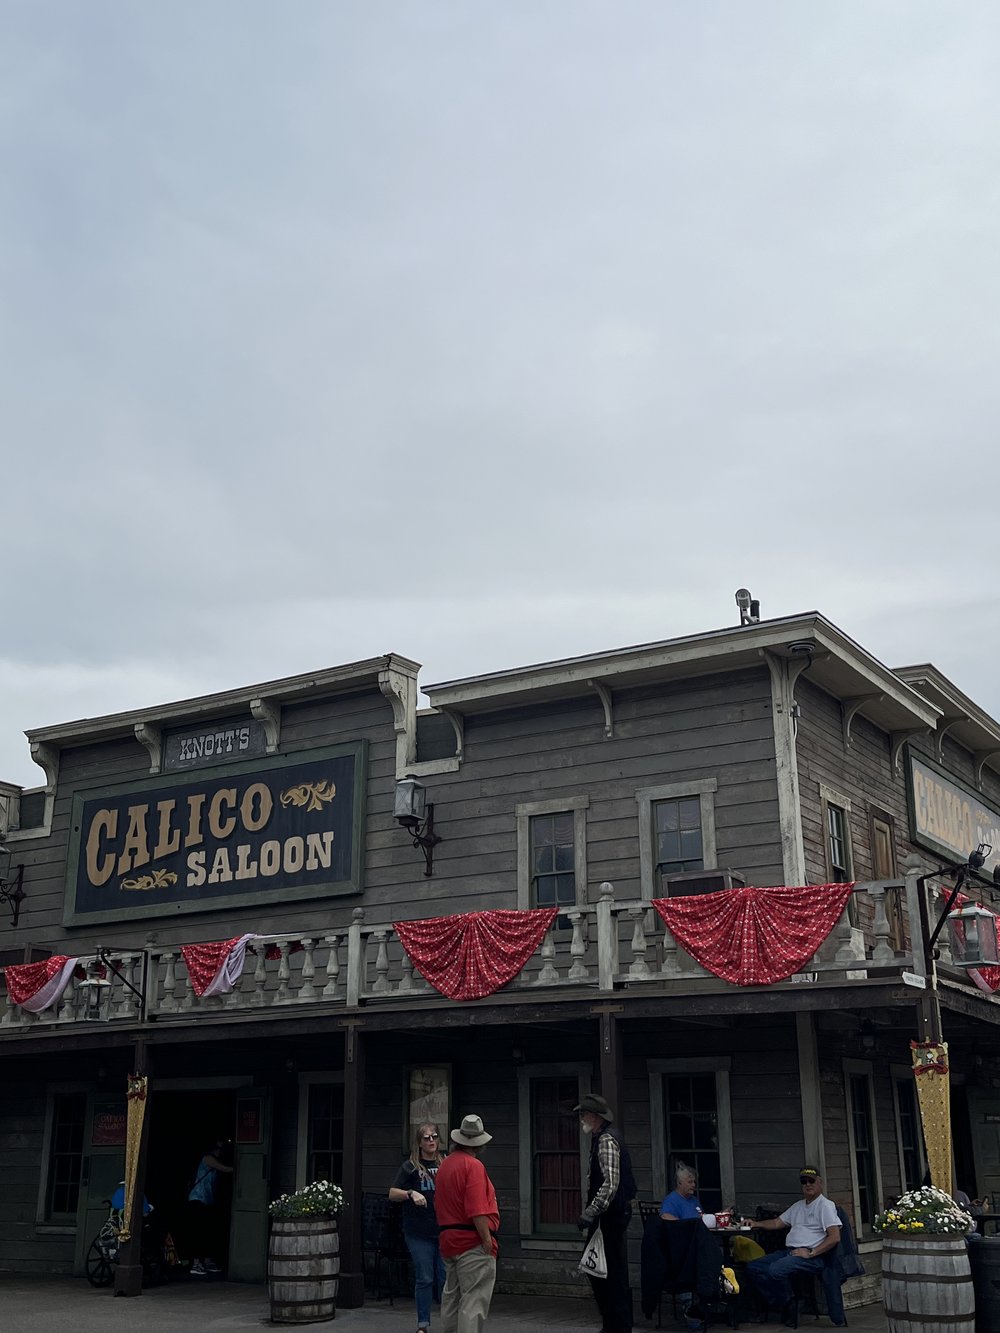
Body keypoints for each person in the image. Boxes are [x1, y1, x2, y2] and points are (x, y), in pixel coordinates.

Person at [746, 1166, 844, 1328]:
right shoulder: (798, 1206)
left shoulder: (825, 1205)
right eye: (804, 1181)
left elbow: (834, 1237)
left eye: (811, 1181)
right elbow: (777, 1222)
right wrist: (756, 1223)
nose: (807, 1184)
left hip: (814, 1256)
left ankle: (791, 1303)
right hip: (791, 1251)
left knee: (776, 1269)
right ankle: (788, 1302)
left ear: (820, 1183)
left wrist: (811, 1253)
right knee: (754, 1267)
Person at [575, 1092, 637, 1333]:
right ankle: (613, 1324)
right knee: (602, 1270)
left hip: (610, 1215)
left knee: (605, 1272)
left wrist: (591, 1212)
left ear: (595, 1116)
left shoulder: (606, 1141)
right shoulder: (603, 1138)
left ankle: (617, 1326)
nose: (582, 1119)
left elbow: (610, 1183)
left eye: (584, 1114)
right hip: (611, 1214)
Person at [435, 1114, 499, 1333]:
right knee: (474, 1300)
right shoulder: (473, 1166)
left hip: (448, 1239)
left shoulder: (445, 1165)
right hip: (471, 1241)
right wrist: (486, 1240)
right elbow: (477, 1210)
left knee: (451, 1296)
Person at [389, 1122, 447, 1333]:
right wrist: (410, 1193)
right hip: (418, 1232)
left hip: (443, 1230)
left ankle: (448, 1323)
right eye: (426, 1138)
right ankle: (423, 1325)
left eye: (434, 1137)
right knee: (425, 1277)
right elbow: (392, 1193)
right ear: (419, 1142)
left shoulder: (446, 1163)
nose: (431, 1141)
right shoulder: (410, 1166)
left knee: (445, 1278)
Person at [186, 1135, 234, 1276]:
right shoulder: (208, 1159)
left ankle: (206, 1261)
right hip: (197, 1199)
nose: (220, 1151)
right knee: (199, 1232)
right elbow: (224, 1168)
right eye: (219, 1148)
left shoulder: (213, 1158)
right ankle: (196, 1263)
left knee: (207, 1231)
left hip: (207, 1199)